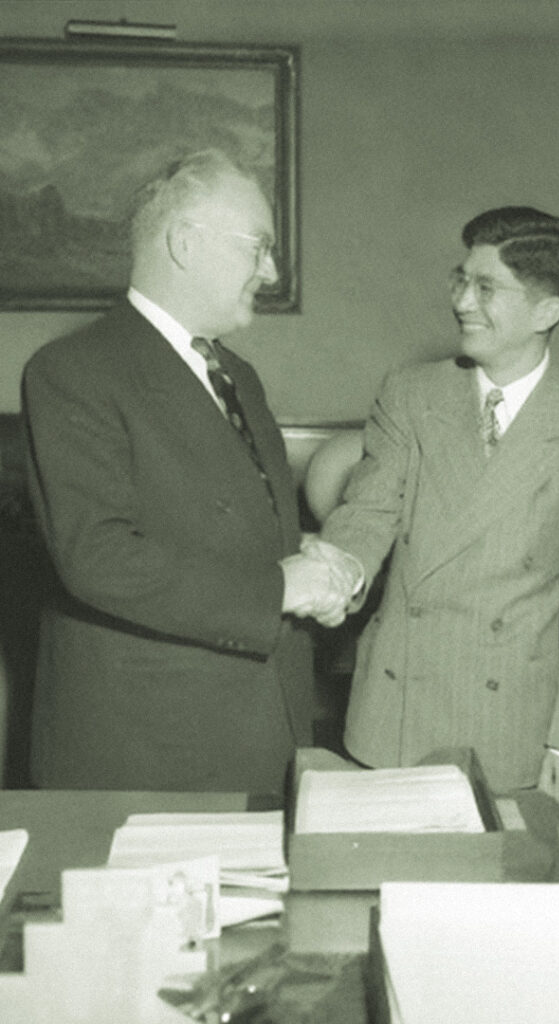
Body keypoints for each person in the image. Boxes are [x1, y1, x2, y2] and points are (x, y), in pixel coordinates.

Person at [22, 149, 347, 795]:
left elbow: (218, 525)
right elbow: (98, 556)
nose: (271, 271)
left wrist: (311, 559)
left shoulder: (237, 375)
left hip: (262, 722)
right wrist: (279, 589)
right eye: (259, 247)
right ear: (184, 243)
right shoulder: (72, 371)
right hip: (152, 745)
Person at [308, 206, 559, 804]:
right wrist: (340, 569)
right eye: (461, 280)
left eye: (486, 288)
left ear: (547, 311)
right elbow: (368, 511)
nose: (462, 302)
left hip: (509, 720)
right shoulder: (411, 392)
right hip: (396, 707)